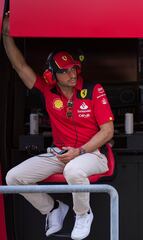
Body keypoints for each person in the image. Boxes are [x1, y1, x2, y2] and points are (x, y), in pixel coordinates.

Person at [2, 13, 114, 240]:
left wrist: (80, 151)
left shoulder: (93, 90)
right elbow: (19, 65)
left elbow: (108, 131)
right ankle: (52, 209)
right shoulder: (47, 90)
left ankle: (83, 214)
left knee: (73, 169)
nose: (72, 74)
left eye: (73, 68)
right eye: (65, 71)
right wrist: (6, 34)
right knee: (13, 178)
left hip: (92, 154)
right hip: (60, 153)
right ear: (52, 75)